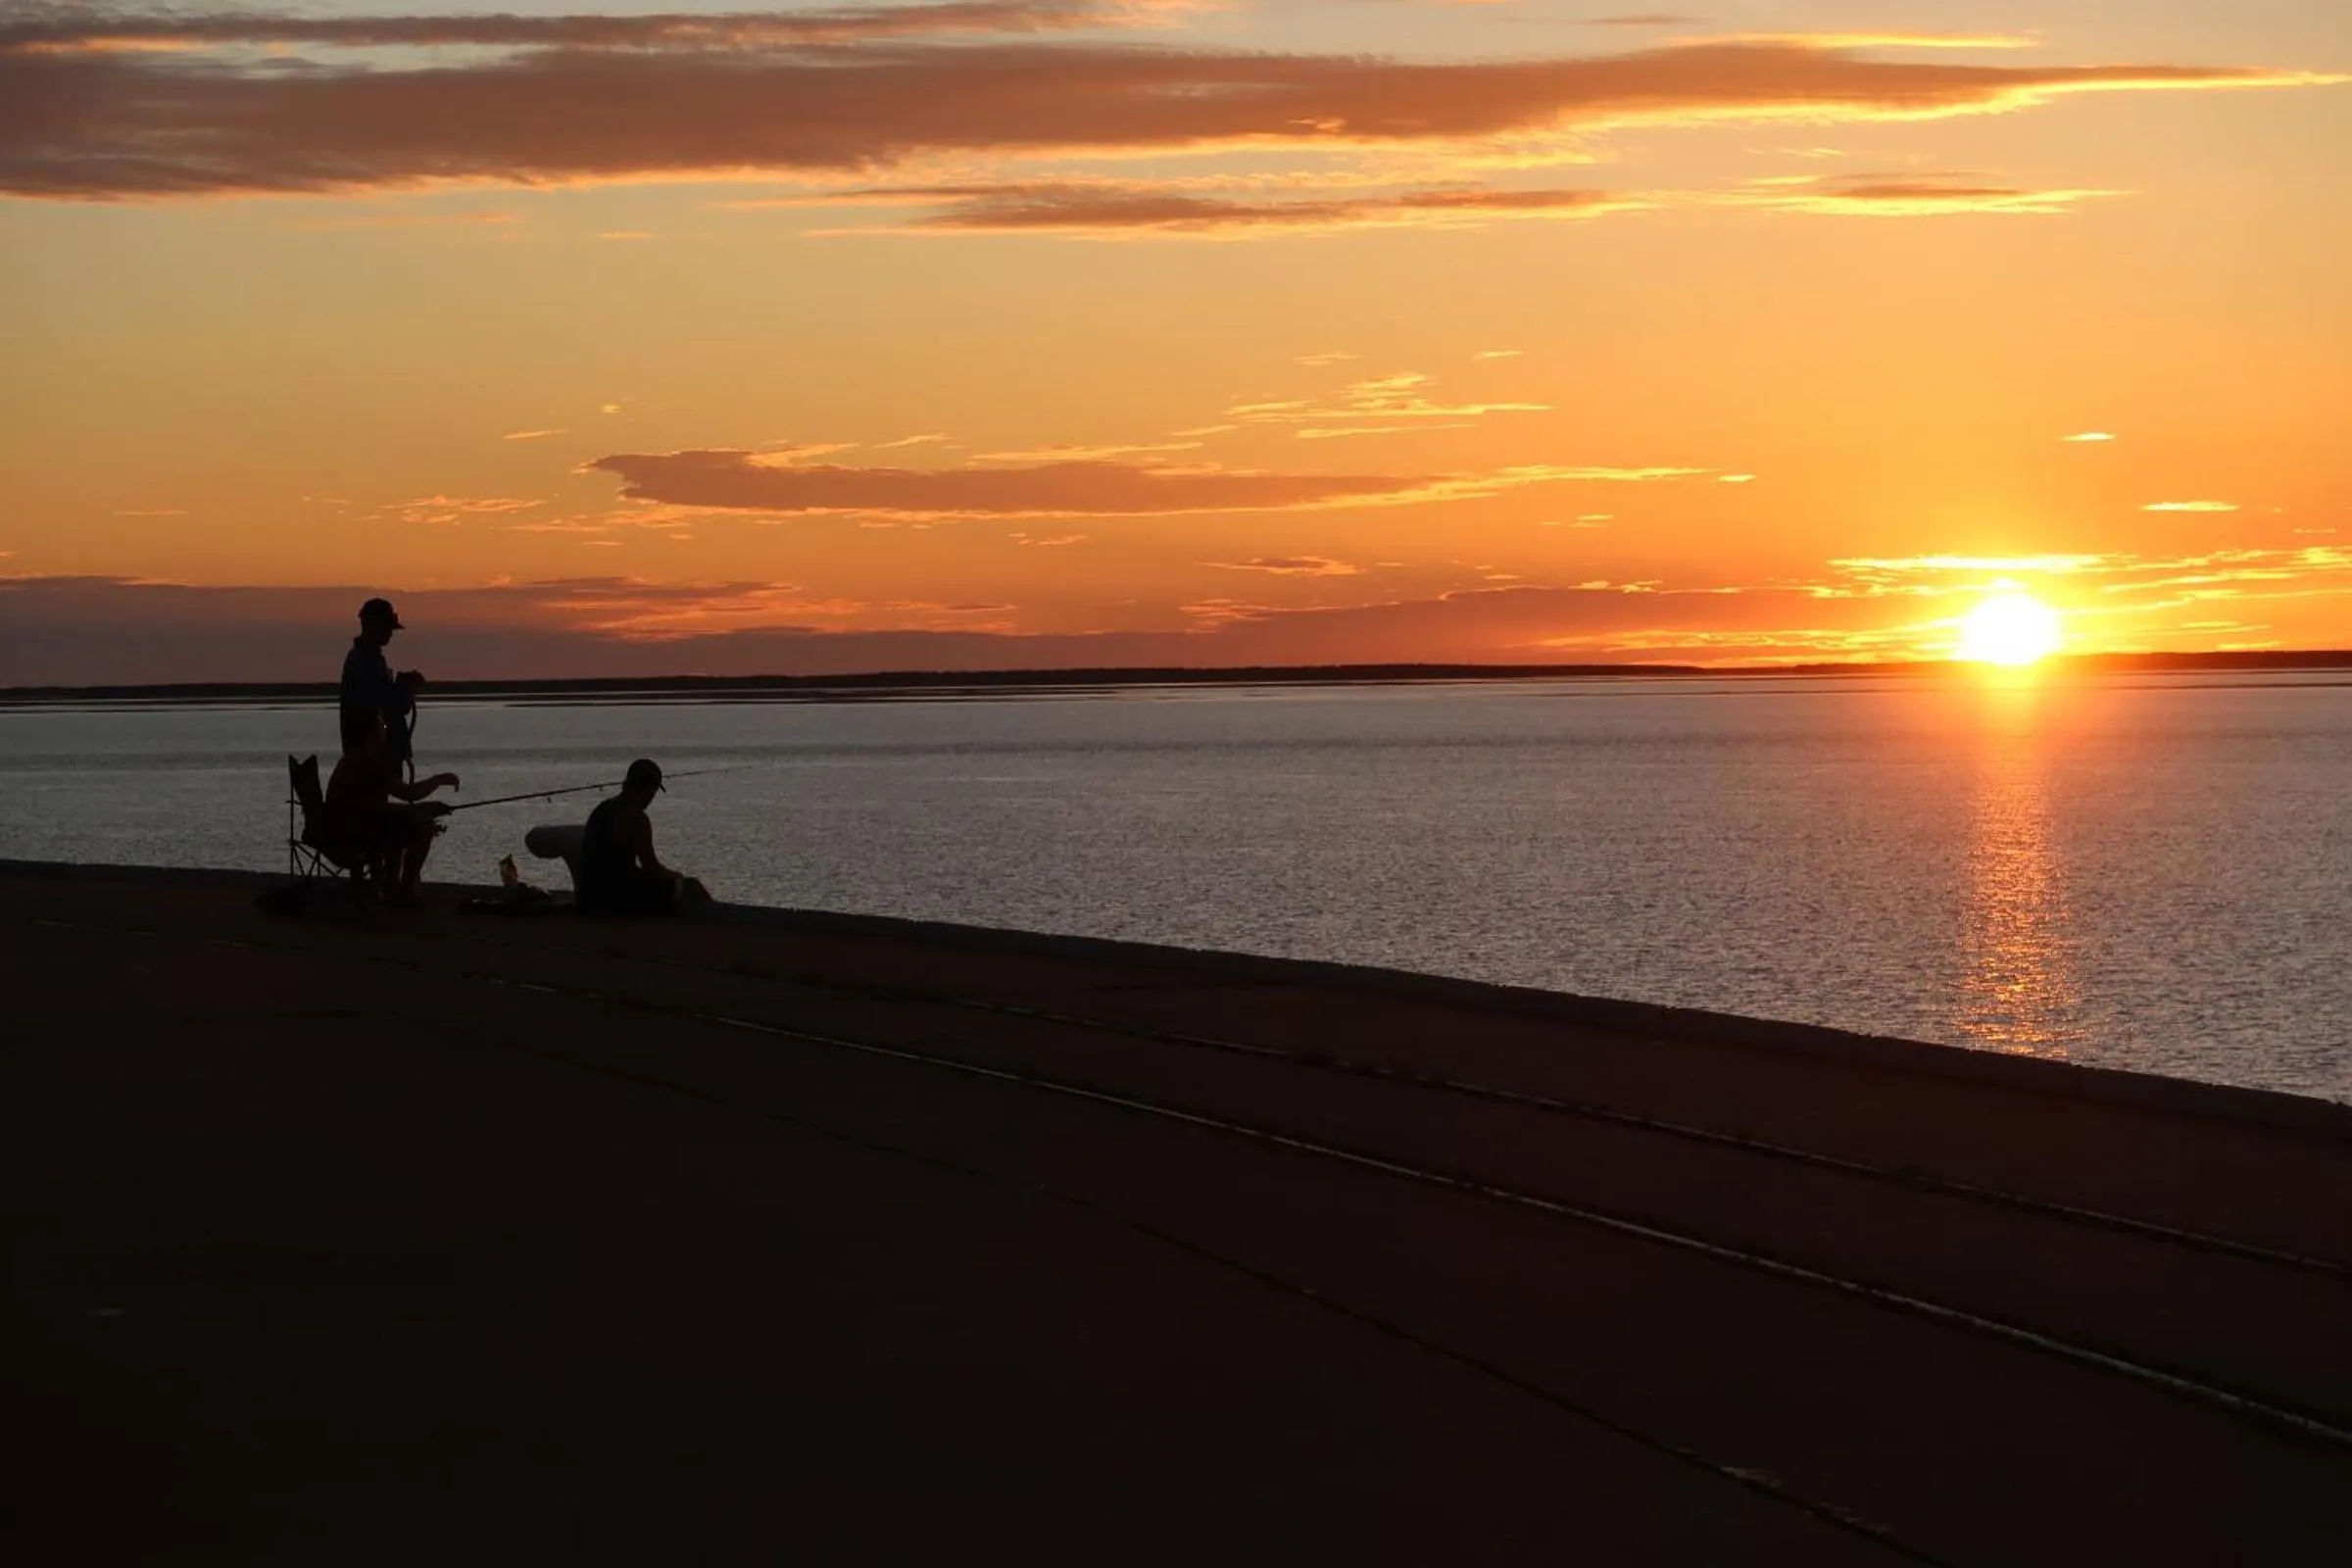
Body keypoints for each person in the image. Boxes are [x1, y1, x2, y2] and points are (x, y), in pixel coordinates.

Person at [323, 711, 461, 905]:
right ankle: (404, 893)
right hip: (354, 834)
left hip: (345, 828)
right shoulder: (368, 763)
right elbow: (409, 793)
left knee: (403, 822)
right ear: (372, 733)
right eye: (383, 727)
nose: (386, 732)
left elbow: (374, 807)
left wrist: (424, 807)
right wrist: (439, 780)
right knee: (422, 826)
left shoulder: (350, 759)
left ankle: (391, 888)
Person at [578, 759, 711, 916]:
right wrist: (677, 877)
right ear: (648, 789)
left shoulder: (601, 809)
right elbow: (651, 867)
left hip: (588, 895)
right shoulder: (637, 819)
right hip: (617, 900)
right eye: (653, 792)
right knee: (692, 886)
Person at [339, 597, 423, 766]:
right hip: (370, 762)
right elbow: (379, 707)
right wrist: (403, 690)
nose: (391, 633)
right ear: (375, 627)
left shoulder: (369, 659)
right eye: (388, 628)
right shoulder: (363, 661)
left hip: (374, 759)